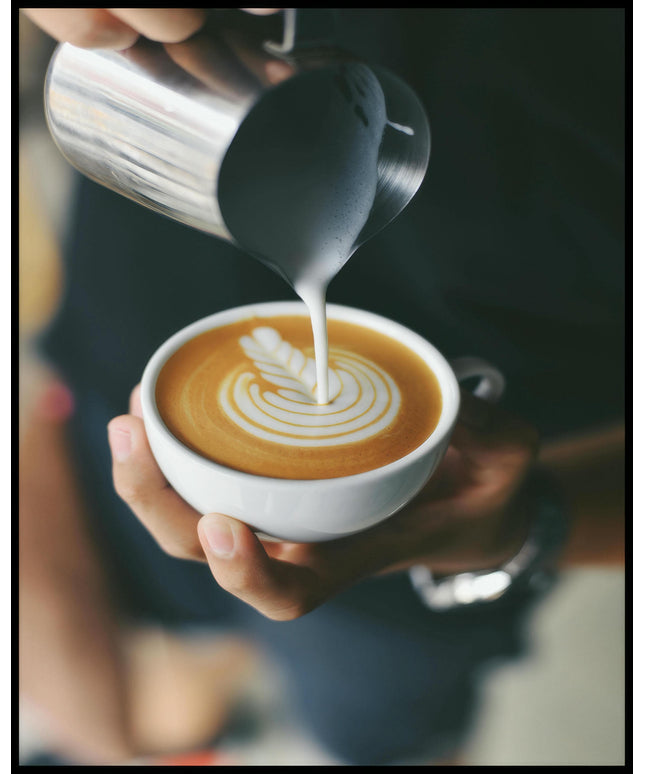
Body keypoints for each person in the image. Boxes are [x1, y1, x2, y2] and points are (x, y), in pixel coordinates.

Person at [19, 7, 625, 765]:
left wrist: (530, 521)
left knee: (366, 737)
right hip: (110, 393)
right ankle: (197, 694)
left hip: (405, 566)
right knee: (158, 637)